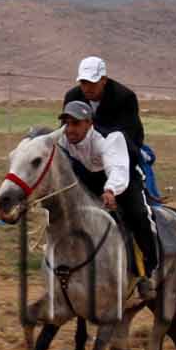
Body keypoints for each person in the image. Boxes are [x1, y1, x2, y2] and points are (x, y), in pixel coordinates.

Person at [59, 99, 157, 291]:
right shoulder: (63, 138)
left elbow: (117, 168)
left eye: (76, 123)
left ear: (89, 123)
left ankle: (148, 271)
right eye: (67, 123)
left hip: (124, 181)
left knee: (137, 216)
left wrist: (110, 189)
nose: (70, 129)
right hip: (92, 183)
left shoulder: (109, 138)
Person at [66, 56, 157, 204]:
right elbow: (66, 132)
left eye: (92, 83)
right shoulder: (72, 97)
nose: (87, 88)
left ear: (104, 80)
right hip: (83, 162)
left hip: (122, 157)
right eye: (83, 82)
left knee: (138, 213)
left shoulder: (124, 98)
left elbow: (130, 136)